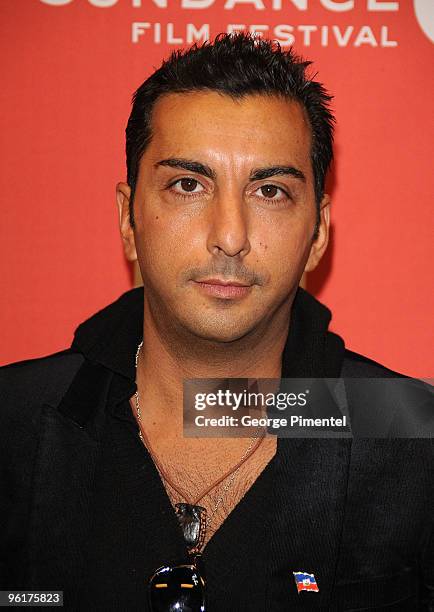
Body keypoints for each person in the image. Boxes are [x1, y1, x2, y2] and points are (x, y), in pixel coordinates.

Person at [0, 33, 432, 612]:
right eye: (187, 185)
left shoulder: (416, 440)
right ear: (128, 218)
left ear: (319, 233)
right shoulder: (13, 420)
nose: (230, 235)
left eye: (270, 190)